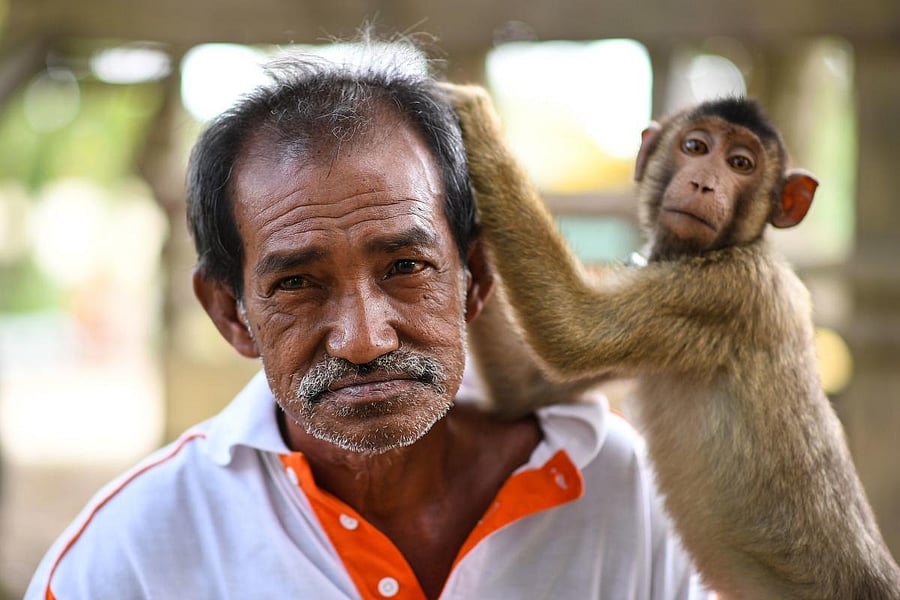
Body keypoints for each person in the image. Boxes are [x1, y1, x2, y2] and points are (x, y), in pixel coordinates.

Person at [26, 40, 711, 599]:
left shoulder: (631, 494)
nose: (364, 339)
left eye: (406, 268)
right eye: (296, 284)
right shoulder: (124, 563)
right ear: (231, 314)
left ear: (476, 279)